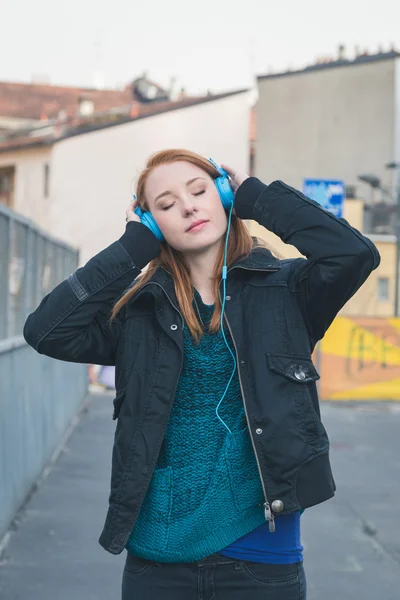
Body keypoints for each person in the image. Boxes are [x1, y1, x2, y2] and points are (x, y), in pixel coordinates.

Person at [23, 149, 380, 599]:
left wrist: (256, 196)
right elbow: (45, 331)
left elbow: (353, 253)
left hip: (262, 555)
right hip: (157, 558)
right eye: (166, 205)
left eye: (199, 191)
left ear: (225, 197)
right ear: (151, 224)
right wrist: (130, 250)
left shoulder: (288, 291)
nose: (188, 207)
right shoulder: (139, 314)